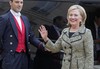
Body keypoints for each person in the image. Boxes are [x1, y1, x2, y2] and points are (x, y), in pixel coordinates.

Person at [39, 5, 94, 69]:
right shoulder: (65, 31)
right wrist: (46, 38)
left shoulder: (86, 32)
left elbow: (89, 56)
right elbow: (55, 48)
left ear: (81, 18)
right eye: (70, 15)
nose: (72, 17)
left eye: (75, 15)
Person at [0, 0, 45, 69]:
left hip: (24, 56)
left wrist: (42, 45)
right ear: (10, 3)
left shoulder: (25, 19)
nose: (19, 5)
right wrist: (4, 53)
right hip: (11, 57)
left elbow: (31, 37)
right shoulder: (4, 18)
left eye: (21, 2)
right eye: (17, 2)